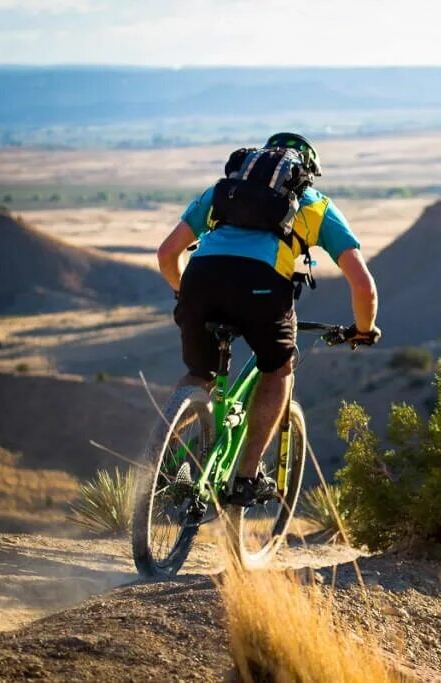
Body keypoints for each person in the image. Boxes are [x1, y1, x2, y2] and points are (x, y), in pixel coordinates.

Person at [155, 132, 380, 505]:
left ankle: (159, 463)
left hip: (200, 281)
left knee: (200, 375)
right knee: (277, 371)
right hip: (260, 289)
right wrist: (364, 329)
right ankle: (244, 478)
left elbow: (167, 253)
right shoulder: (316, 205)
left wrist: (185, 293)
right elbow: (363, 285)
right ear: (305, 171)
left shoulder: (222, 192)